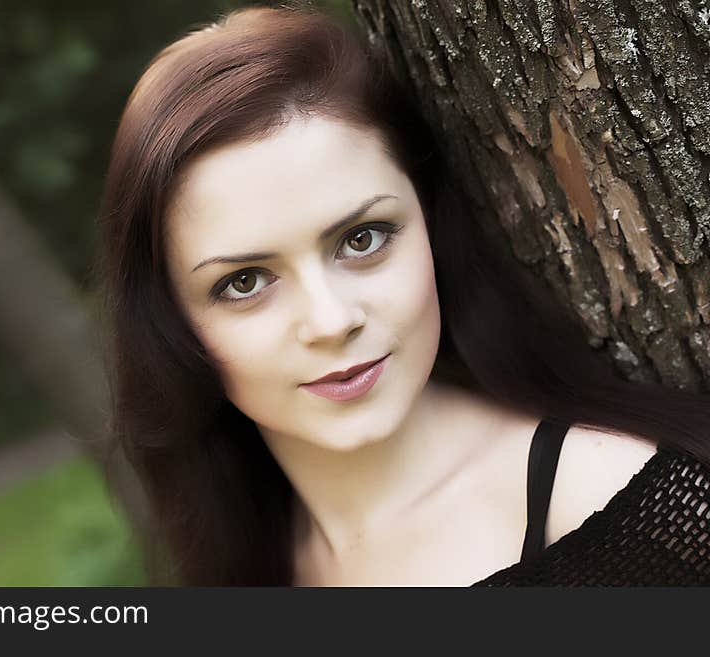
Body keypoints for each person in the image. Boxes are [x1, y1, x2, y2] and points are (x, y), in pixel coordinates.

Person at [93, 4, 710, 586]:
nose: (332, 321)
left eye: (362, 239)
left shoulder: (612, 503)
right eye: (244, 282)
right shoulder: (244, 562)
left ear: (430, 223)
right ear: (172, 325)